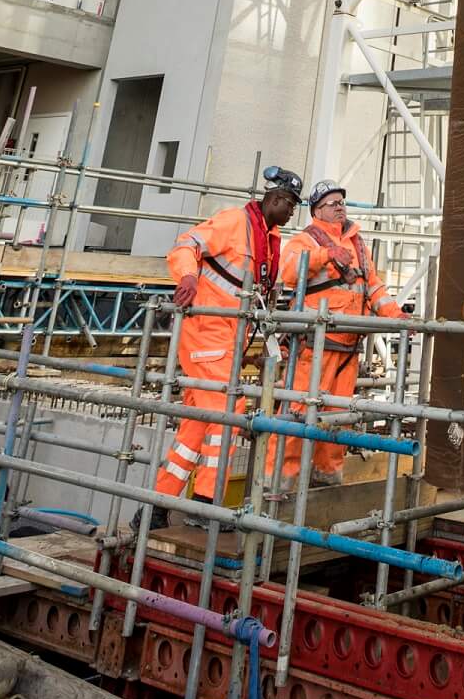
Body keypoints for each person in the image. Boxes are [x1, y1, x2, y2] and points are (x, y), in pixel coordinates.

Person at [153, 166, 303, 506]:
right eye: (291, 205)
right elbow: (185, 245)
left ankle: (160, 503)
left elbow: (252, 295)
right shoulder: (235, 222)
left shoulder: (268, 238)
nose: (292, 213)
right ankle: (207, 503)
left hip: (227, 338)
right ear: (276, 199)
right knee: (229, 410)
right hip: (208, 332)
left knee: (195, 425)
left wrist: (253, 340)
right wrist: (188, 276)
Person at [277, 179, 407, 489]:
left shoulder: (358, 243)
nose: (340, 208)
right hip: (316, 347)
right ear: (317, 210)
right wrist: (325, 254)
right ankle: (279, 484)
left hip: (349, 348)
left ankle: (327, 479)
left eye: (342, 202)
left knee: (337, 418)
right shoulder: (306, 240)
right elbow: (290, 270)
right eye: (332, 204)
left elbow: (373, 287)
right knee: (298, 412)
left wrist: (395, 315)